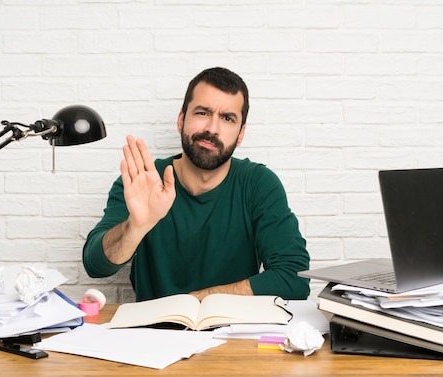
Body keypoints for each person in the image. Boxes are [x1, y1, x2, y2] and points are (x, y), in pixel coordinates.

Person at [82, 67, 310, 302]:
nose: (212, 128)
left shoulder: (258, 184)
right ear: (181, 120)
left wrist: (202, 299)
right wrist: (136, 226)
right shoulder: (143, 180)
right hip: (153, 333)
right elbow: (95, 266)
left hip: (235, 334)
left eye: (227, 118)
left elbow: (294, 278)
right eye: (202, 113)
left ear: (241, 134)